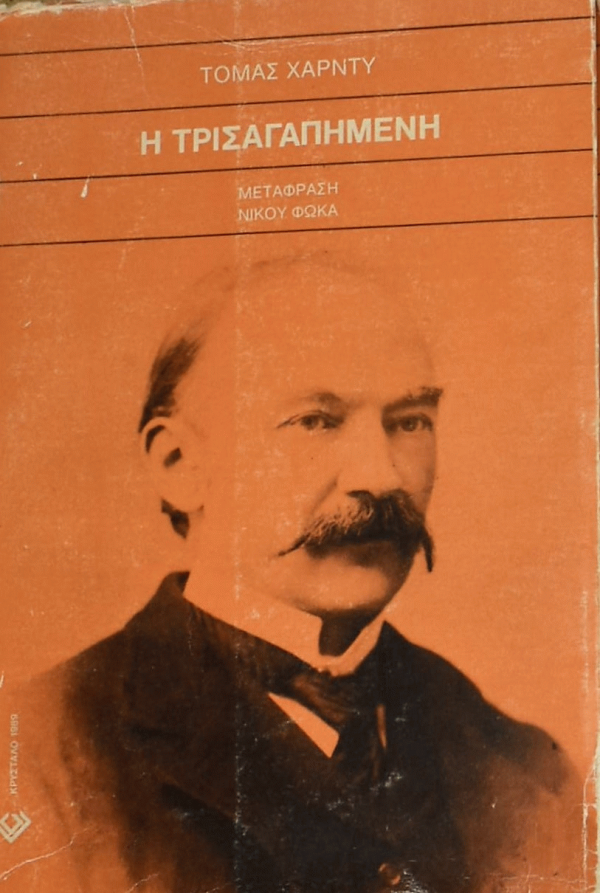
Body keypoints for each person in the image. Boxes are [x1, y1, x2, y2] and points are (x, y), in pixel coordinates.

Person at [5, 256, 586, 892]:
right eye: (316, 421)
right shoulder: (39, 758)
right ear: (179, 463)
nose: (381, 476)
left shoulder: (528, 770)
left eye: (409, 422)